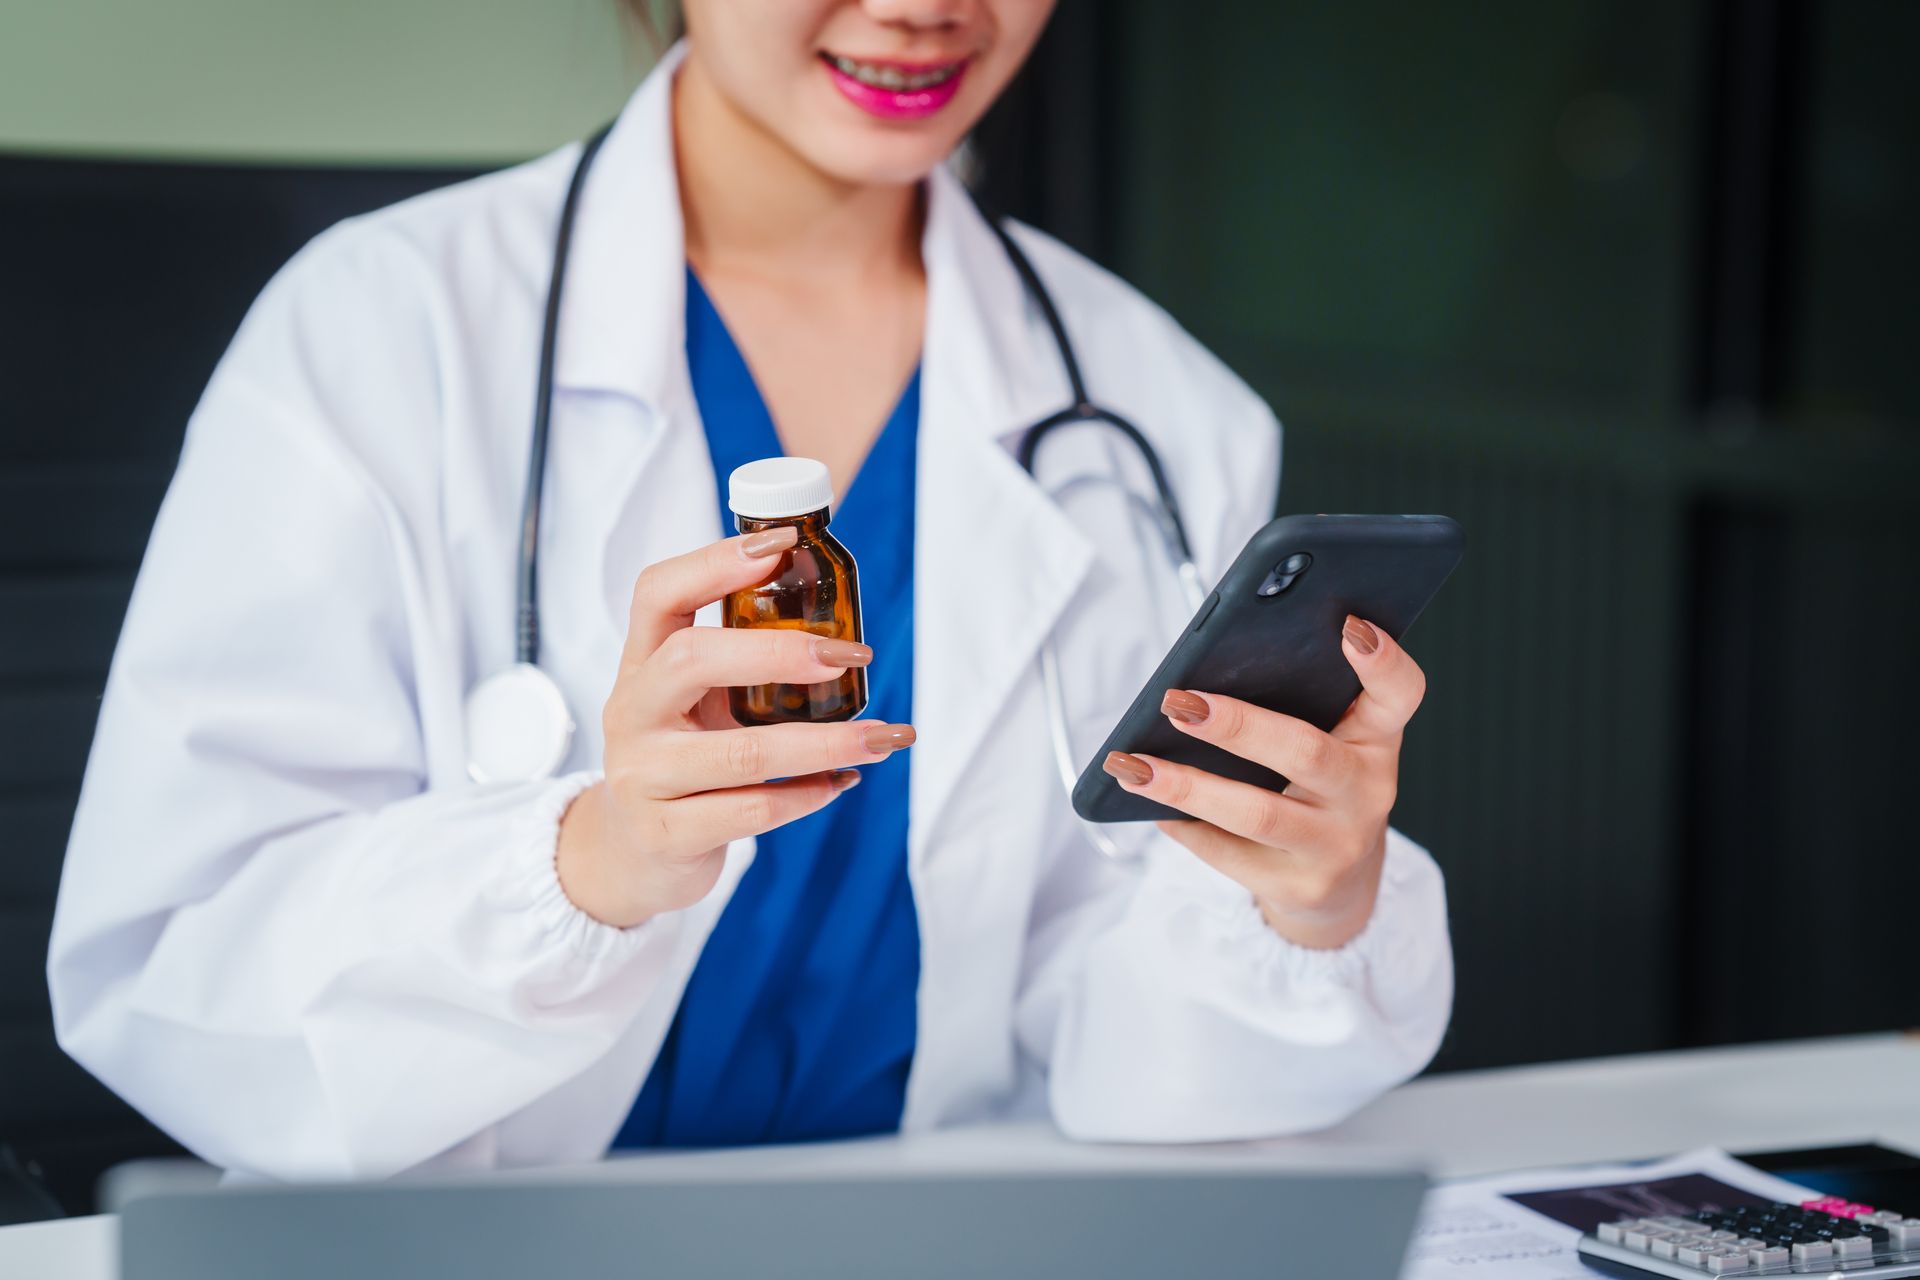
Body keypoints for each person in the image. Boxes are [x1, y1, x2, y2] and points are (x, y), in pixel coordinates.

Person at [48, 0, 1452, 1180]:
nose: (922, 9)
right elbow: (176, 964)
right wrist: (587, 864)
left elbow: (1124, 1053)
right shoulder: (376, 329)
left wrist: (1305, 907)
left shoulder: (1160, 405)